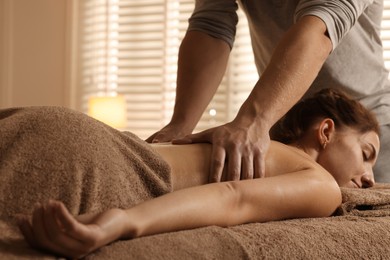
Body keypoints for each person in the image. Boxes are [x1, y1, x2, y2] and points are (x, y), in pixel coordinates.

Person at [18, 88, 380, 259]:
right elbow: (232, 199)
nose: (370, 179)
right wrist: (122, 222)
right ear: (326, 131)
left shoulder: (256, 150)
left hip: (61, 127)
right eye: (367, 155)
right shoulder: (320, 184)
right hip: (97, 161)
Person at [146, 0, 390, 183]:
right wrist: (180, 126)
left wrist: (253, 121)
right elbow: (211, 26)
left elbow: (320, 26)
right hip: (287, 122)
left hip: (360, 128)